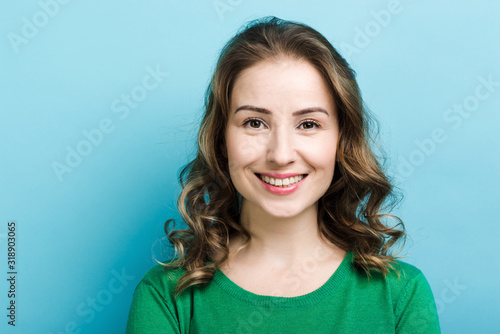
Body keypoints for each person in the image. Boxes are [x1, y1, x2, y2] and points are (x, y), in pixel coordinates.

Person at [126, 16, 441, 333]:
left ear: (340, 140)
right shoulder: (166, 296)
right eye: (254, 123)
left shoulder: (401, 294)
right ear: (221, 140)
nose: (280, 155)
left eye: (308, 124)